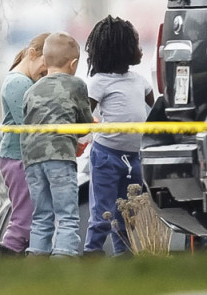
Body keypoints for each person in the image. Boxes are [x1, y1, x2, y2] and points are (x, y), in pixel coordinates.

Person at [83, 16, 154, 257]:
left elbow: (155, 113)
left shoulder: (141, 81)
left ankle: (123, 253)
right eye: (135, 43)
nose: (140, 49)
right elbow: (84, 113)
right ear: (121, 49)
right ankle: (92, 251)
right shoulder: (99, 83)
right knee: (103, 209)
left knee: (128, 209)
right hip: (106, 156)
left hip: (134, 157)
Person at [21, 32, 93, 257]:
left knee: (41, 215)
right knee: (67, 214)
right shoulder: (76, 86)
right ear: (73, 64)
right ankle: (63, 258)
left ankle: (37, 259)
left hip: (32, 159)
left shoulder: (31, 90)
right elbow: (85, 122)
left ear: (44, 61)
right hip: (60, 156)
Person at [0, 33, 49, 256]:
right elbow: (27, 122)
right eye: (44, 70)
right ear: (32, 53)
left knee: (31, 214)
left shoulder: (24, 81)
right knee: (24, 216)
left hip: (23, 156)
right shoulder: (18, 83)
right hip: (17, 157)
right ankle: (8, 256)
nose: (44, 76)